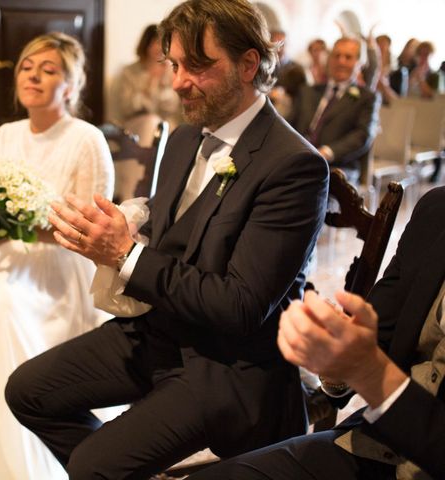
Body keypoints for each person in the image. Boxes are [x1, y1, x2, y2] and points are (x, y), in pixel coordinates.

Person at [4, 1, 329, 478]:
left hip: (229, 365)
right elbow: (170, 228)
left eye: (198, 66)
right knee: (27, 391)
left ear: (248, 64)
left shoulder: (293, 166)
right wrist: (127, 223)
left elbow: (239, 306)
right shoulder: (183, 138)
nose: (177, 82)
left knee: (95, 466)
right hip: (157, 331)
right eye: (174, 65)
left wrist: (125, 253)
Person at [0, 32, 114, 480]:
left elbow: (91, 234)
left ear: (71, 86)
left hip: (63, 266)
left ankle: (30, 454)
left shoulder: (86, 139)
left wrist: (33, 229)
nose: (33, 76)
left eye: (49, 69)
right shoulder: (4, 135)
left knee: (5, 309)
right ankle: (4, 454)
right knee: (0, 303)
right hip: (10, 264)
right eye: (26, 67)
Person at [188, 185, 445, 480]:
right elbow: (379, 337)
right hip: (379, 448)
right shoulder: (437, 212)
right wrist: (336, 356)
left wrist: (370, 372)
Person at [288, 36, 381, 184]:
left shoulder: (367, 98)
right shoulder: (308, 91)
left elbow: (363, 135)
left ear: (359, 63)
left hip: (337, 168)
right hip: (298, 159)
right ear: (329, 60)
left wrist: (327, 152)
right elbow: (288, 125)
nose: (341, 61)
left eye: (348, 57)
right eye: (336, 56)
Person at [109, 24, 182, 131]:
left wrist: (163, 84)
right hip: (137, 125)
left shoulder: (171, 71)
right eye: (155, 43)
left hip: (166, 126)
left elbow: (173, 106)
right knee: (151, 122)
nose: (159, 48)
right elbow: (127, 108)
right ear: (146, 44)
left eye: (162, 43)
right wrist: (147, 89)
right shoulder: (129, 72)